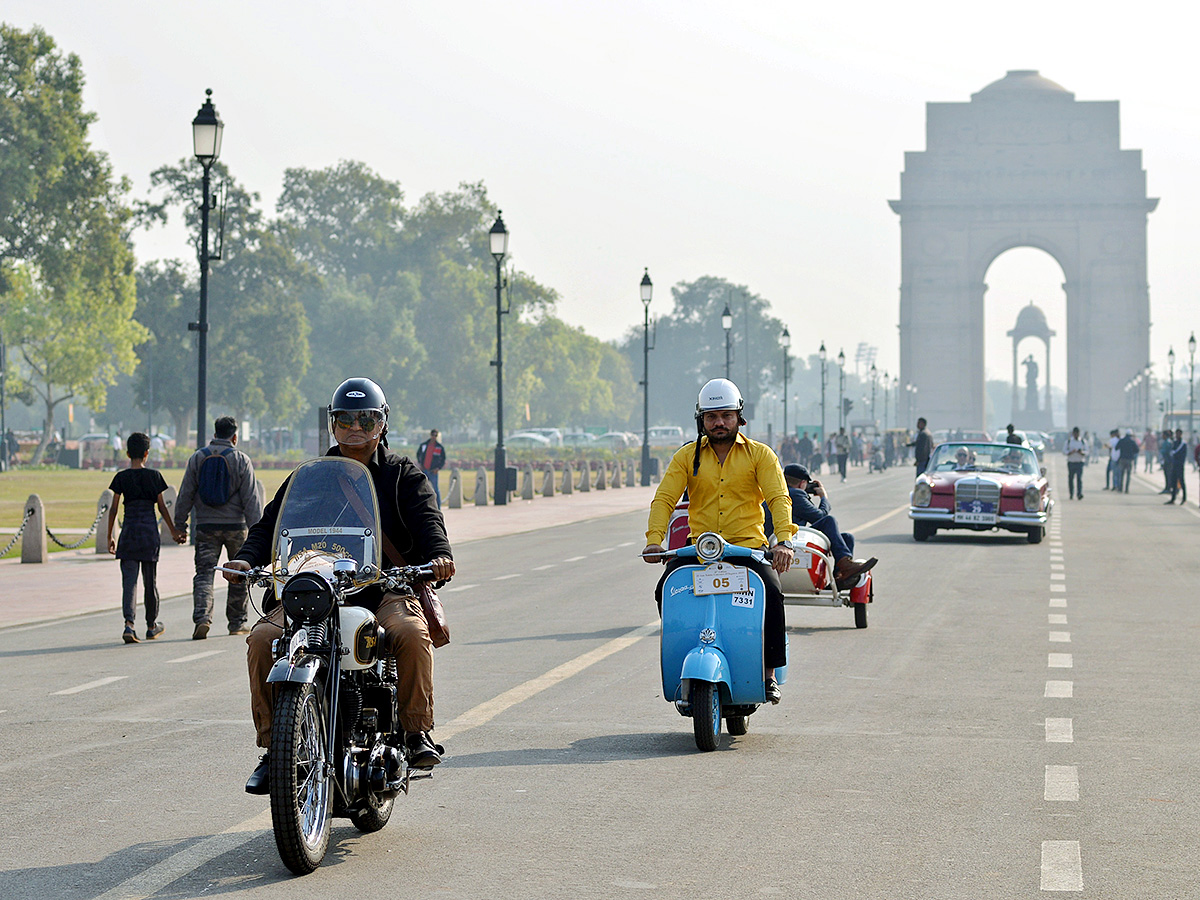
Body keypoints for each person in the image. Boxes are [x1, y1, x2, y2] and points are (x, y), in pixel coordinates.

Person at [225, 377, 455, 794]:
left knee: (410, 632)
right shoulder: (310, 478)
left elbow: (428, 523)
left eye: (365, 419)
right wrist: (246, 556)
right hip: (316, 589)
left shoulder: (404, 475)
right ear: (333, 424)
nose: (355, 428)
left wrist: (438, 556)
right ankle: (273, 748)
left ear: (382, 423)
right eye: (345, 419)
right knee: (261, 640)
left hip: (383, 587)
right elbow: (270, 524)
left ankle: (416, 730)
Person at [174, 416, 263, 639]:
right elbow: (251, 500)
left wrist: (180, 524)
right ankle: (237, 622)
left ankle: (203, 618)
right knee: (238, 574)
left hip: (206, 526)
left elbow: (186, 493)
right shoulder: (241, 460)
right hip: (236, 527)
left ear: (214, 435)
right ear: (234, 437)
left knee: (204, 574)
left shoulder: (197, 458)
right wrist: (259, 533)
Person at [105, 432, 186, 643]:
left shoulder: (120, 478)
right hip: (149, 534)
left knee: (129, 583)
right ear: (146, 453)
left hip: (129, 533)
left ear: (128, 453)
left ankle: (129, 625)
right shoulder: (154, 476)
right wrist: (174, 531)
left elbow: (113, 509)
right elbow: (161, 507)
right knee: (150, 582)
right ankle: (151, 625)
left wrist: (109, 536)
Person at [782, 464, 876, 581]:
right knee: (829, 521)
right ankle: (845, 566)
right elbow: (820, 516)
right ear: (802, 483)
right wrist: (823, 497)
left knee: (847, 538)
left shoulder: (780, 491)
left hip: (788, 536)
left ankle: (840, 575)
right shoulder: (795, 494)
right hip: (792, 538)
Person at [416, 428, 447, 507]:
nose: (434, 437)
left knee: (436, 490)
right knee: (422, 489)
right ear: (430, 435)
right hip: (424, 470)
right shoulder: (424, 445)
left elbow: (443, 459)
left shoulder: (439, 447)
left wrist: (438, 468)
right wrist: (420, 464)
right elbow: (418, 454)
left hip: (433, 471)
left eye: (436, 436)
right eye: (433, 435)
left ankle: (438, 507)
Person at [1063, 427, 1088, 500]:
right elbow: (1064, 451)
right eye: (1075, 433)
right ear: (1073, 433)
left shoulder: (1083, 441)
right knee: (1071, 479)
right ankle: (1071, 493)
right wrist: (1070, 452)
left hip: (1080, 462)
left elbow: (1087, 451)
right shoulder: (1069, 441)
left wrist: (1081, 452)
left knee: (1079, 479)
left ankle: (1079, 493)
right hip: (1071, 462)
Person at [1166, 429, 1188, 505]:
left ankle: (1184, 498)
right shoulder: (1174, 443)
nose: (1177, 435)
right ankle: (1173, 498)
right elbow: (1171, 452)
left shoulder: (1183, 444)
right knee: (1173, 482)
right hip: (1174, 465)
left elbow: (1183, 455)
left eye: (1178, 434)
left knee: (1182, 482)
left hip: (1180, 465)